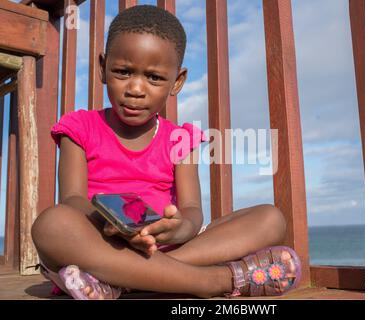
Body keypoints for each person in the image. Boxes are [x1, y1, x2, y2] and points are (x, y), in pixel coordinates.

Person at [31, 4, 301, 300]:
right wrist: (109, 223)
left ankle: (125, 280)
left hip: (164, 247)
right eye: (122, 71)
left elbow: (192, 210)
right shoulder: (79, 127)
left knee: (270, 218)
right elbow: (72, 199)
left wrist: (178, 228)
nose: (135, 88)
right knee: (51, 225)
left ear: (178, 82)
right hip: (104, 243)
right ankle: (216, 280)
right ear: (102, 68)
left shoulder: (180, 139)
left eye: (154, 78)